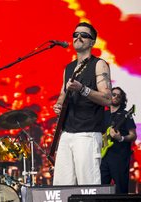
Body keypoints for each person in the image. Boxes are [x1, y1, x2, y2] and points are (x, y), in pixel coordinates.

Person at [52, 22, 112, 185]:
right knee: (61, 186)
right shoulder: (69, 68)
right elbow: (63, 93)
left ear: (92, 42)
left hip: (88, 133)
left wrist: (83, 89)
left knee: (88, 186)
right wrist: (58, 104)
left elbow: (108, 98)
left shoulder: (99, 64)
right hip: (67, 133)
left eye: (84, 35)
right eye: (75, 34)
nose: (78, 37)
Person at [101, 87, 137, 193]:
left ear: (122, 99)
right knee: (102, 188)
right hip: (104, 157)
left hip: (120, 157)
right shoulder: (104, 114)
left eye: (119, 96)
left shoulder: (126, 115)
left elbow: (133, 135)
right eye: (113, 94)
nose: (116, 96)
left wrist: (121, 138)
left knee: (121, 189)